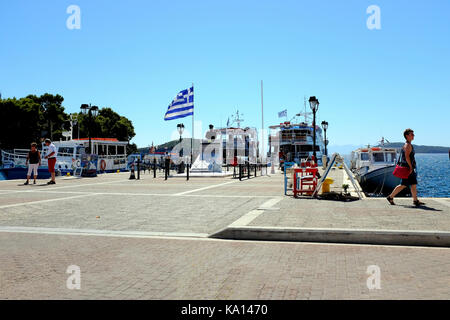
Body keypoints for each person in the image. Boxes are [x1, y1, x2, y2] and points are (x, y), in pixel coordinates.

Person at [387, 129, 425, 206]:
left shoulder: (408, 144)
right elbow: (407, 157)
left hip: (409, 168)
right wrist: (411, 167)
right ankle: (390, 197)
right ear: (407, 136)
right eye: (412, 134)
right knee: (403, 185)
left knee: (413, 184)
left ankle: (415, 200)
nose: (413, 135)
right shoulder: (407, 145)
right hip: (408, 169)